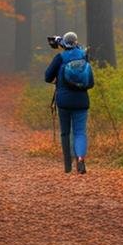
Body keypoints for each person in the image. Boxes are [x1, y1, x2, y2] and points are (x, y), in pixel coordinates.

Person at [45, 31, 94, 174]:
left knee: (65, 132)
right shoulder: (84, 56)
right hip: (81, 101)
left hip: (64, 101)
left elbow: (47, 76)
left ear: (64, 44)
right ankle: (80, 159)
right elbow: (90, 81)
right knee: (80, 132)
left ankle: (67, 165)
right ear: (76, 42)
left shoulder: (60, 57)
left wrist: (57, 80)